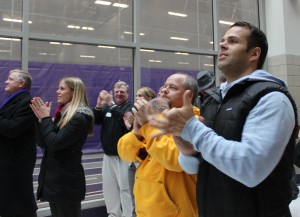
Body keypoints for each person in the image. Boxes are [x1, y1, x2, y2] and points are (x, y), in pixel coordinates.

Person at [149, 21, 298, 217]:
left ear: (254, 54)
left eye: (233, 41)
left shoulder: (272, 98)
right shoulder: (214, 99)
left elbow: (251, 168)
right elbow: (194, 167)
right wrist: (186, 147)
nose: (222, 45)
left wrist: (193, 129)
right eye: (222, 41)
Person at [117, 73, 199, 217]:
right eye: (164, 86)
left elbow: (174, 159)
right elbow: (125, 153)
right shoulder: (155, 121)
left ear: (189, 96)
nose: (165, 90)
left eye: (172, 88)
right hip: (145, 209)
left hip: (174, 212)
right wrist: (137, 131)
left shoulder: (195, 123)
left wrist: (147, 124)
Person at [30, 76, 94, 217]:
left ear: (74, 92)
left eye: (62, 88)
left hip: (66, 183)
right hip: (57, 180)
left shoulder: (79, 118)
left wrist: (46, 119)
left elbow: (55, 143)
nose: (57, 91)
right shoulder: (63, 115)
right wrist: (40, 121)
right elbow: (44, 143)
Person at [93, 81, 134, 217]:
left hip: (123, 156)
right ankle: (113, 213)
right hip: (108, 155)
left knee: (125, 188)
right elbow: (96, 120)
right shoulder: (108, 107)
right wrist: (99, 105)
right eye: (116, 91)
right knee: (109, 187)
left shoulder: (130, 107)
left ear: (127, 93)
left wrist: (111, 104)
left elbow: (123, 118)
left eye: (122, 91)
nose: (119, 94)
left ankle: (128, 214)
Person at [0, 69, 38, 217]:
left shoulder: (27, 102)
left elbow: (12, 129)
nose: (6, 81)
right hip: (9, 160)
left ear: (21, 83)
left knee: (20, 203)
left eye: (10, 79)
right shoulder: (13, 100)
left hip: (17, 162)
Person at [123, 86, 156, 217]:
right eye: (136, 96)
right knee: (134, 202)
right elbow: (133, 142)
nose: (137, 98)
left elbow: (150, 142)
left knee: (146, 203)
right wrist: (131, 126)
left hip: (147, 165)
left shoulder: (155, 118)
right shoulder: (135, 116)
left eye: (140, 96)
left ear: (149, 99)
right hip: (133, 164)